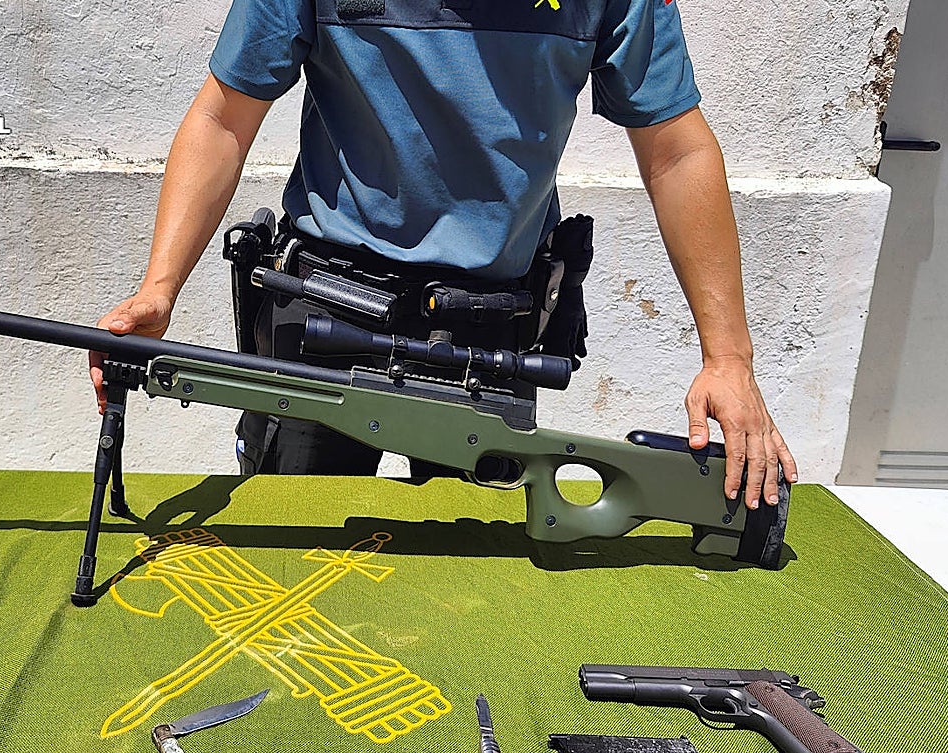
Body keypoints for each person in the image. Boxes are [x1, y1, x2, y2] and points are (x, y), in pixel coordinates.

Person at [91, 0, 798, 510]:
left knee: (479, 592)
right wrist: (160, 287)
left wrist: (728, 359)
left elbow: (676, 148)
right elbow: (222, 117)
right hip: (326, 315)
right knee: (287, 557)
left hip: (496, 332)